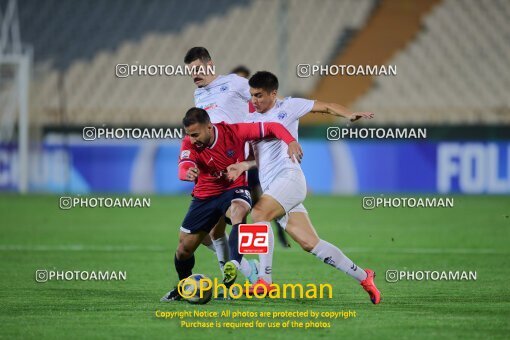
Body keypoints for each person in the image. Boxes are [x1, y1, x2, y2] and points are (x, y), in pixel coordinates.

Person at [225, 71, 381, 304]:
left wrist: (349, 113)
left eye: (258, 95)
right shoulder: (250, 120)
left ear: (273, 94)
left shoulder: (290, 106)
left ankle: (264, 282)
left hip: (290, 179)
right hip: (274, 187)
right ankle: (364, 276)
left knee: (258, 214)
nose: (254, 100)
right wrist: (243, 166)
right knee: (310, 243)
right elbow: (262, 159)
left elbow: (326, 106)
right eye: (252, 95)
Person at [161, 107, 302, 301]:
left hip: (233, 188)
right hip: (205, 196)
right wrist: (187, 173)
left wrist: (291, 141)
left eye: (195, 134)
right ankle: (183, 286)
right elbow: (183, 166)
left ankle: (234, 266)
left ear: (209, 127)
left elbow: (272, 127)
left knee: (239, 210)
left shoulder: (233, 131)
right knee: (184, 250)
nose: (192, 139)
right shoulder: (188, 143)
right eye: (189, 135)